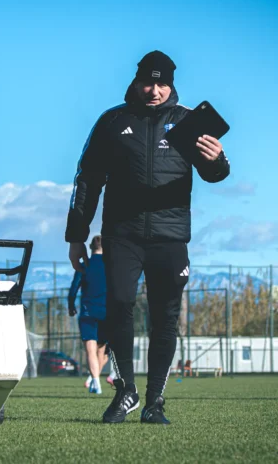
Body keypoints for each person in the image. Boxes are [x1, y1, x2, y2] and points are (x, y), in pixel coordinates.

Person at [65, 51, 230, 424]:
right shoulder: (112, 121)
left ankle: (154, 401)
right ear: (136, 82)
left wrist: (218, 160)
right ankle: (126, 391)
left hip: (171, 237)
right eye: (147, 83)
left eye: (162, 84)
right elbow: (87, 179)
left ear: (171, 85)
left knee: (165, 318)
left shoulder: (188, 121)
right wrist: (77, 236)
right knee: (119, 304)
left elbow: (215, 174)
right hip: (121, 235)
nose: (154, 91)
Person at [67, 235, 111, 394]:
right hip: (106, 312)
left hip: (88, 312)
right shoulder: (110, 265)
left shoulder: (85, 265)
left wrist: (71, 306)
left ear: (90, 247)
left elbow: (73, 289)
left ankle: (96, 383)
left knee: (91, 350)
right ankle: (94, 381)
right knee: (101, 350)